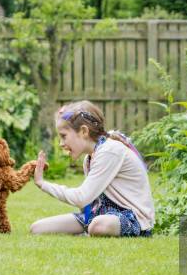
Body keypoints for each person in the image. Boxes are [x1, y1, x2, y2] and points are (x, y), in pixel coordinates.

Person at [30, 100, 154, 237]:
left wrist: (43, 184)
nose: (61, 144)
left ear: (83, 131)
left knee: (98, 226)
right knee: (37, 228)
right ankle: (89, 230)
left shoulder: (109, 151)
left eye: (64, 136)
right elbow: (87, 203)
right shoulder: (89, 159)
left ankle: (90, 231)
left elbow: (81, 197)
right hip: (99, 215)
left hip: (132, 220)